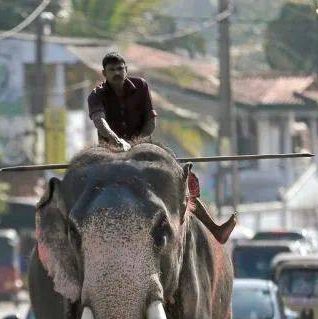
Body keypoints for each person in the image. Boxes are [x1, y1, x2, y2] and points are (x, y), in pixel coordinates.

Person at [87, 52, 236, 244]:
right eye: (111, 70)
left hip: (143, 150)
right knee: (84, 186)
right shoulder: (96, 95)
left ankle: (216, 230)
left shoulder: (141, 86)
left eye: (120, 69)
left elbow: (150, 121)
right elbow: (99, 120)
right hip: (110, 153)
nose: (116, 73)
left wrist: (137, 143)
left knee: (179, 179)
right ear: (104, 73)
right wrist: (117, 141)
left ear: (126, 70)